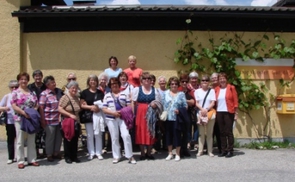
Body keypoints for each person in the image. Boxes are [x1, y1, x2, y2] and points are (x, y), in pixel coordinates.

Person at [102, 77, 136, 164]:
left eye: (116, 83)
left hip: (122, 118)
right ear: (110, 86)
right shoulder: (107, 95)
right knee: (114, 137)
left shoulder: (124, 94)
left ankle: (130, 156)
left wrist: (121, 112)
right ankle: (116, 156)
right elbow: (104, 109)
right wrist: (113, 113)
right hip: (111, 119)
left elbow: (129, 106)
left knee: (126, 136)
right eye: (112, 84)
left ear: (119, 84)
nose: (114, 85)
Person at [11, 72, 39, 169]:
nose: (24, 81)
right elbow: (14, 105)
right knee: (20, 140)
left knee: (31, 139)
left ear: (28, 81)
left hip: (31, 118)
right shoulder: (15, 92)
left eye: (25, 79)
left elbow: (36, 104)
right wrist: (24, 113)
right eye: (22, 79)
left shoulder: (32, 92)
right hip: (20, 118)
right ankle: (21, 160)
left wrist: (33, 112)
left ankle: (32, 159)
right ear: (18, 80)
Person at [132, 72, 160, 160]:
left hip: (151, 112)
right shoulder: (137, 89)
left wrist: (155, 104)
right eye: (144, 78)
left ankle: (149, 152)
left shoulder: (155, 90)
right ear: (141, 80)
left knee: (150, 131)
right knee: (141, 131)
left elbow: (159, 102)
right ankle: (142, 153)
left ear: (151, 80)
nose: (147, 80)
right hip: (140, 112)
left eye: (148, 78)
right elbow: (133, 102)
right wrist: (133, 114)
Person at [162, 76, 188, 162]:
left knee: (177, 136)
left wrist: (179, 110)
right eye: (172, 84)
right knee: (168, 135)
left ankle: (177, 154)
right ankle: (170, 153)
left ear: (178, 85)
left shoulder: (181, 94)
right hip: (168, 118)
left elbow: (185, 106)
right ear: (170, 85)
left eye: (176, 84)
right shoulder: (165, 93)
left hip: (177, 118)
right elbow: (162, 105)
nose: (174, 85)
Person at [39, 76, 63, 162]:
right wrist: (42, 120)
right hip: (49, 119)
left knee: (58, 137)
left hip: (58, 119)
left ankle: (56, 152)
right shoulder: (44, 94)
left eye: (54, 81)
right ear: (47, 85)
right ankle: (49, 154)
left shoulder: (58, 92)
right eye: (52, 82)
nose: (54, 83)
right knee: (50, 137)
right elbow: (41, 107)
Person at [80, 75, 105, 160]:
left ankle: (98, 152)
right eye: (91, 80)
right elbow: (82, 105)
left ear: (96, 82)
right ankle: (91, 152)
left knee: (98, 134)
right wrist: (91, 107)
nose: (92, 82)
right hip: (89, 116)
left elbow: (103, 103)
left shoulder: (100, 92)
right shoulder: (84, 92)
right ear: (88, 82)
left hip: (98, 115)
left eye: (94, 80)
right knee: (90, 135)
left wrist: (98, 108)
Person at [215, 73, 238, 158]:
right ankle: (223, 150)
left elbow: (235, 101)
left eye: (223, 78)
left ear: (226, 79)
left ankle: (230, 150)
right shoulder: (216, 89)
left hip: (229, 112)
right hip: (219, 112)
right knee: (221, 132)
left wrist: (236, 113)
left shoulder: (231, 88)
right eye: (220, 79)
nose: (222, 80)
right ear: (218, 80)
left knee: (229, 132)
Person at [58, 81, 81, 164]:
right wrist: (70, 115)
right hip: (67, 121)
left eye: (76, 88)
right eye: (73, 88)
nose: (74, 90)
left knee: (75, 139)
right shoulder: (65, 97)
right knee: (68, 139)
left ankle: (74, 156)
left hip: (76, 121)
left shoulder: (77, 98)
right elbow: (60, 108)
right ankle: (67, 157)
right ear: (69, 89)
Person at [195, 75, 216, 157]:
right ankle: (200, 151)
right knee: (201, 133)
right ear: (200, 82)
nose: (204, 82)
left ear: (209, 82)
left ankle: (210, 151)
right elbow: (196, 102)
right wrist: (202, 109)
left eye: (206, 80)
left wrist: (206, 109)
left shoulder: (212, 91)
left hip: (209, 113)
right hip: (200, 114)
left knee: (210, 133)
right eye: (203, 80)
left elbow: (213, 102)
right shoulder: (197, 91)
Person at [28, 69, 46, 158]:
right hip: (34, 113)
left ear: (41, 77)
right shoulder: (30, 87)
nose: (37, 77)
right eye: (36, 76)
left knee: (44, 132)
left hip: (44, 112)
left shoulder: (45, 87)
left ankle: (45, 151)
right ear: (33, 77)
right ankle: (36, 152)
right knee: (36, 133)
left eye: (39, 76)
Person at [0, 80, 19, 164]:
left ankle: (19, 157)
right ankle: (11, 157)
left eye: (16, 87)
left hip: (19, 120)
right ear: (9, 88)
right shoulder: (7, 96)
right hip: (10, 121)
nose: (14, 88)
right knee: (11, 139)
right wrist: (4, 108)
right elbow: (0, 106)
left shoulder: (20, 95)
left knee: (19, 139)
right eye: (12, 87)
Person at [178, 73, 194, 157]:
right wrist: (187, 101)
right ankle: (179, 151)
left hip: (187, 115)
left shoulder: (189, 91)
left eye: (186, 81)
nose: (184, 83)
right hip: (179, 115)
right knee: (179, 133)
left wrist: (184, 101)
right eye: (182, 81)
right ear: (180, 82)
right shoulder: (177, 90)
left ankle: (185, 149)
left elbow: (193, 102)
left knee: (187, 133)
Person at [211, 72, 221, 154]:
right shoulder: (210, 89)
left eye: (216, 78)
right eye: (213, 78)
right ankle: (210, 148)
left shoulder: (221, 88)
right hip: (211, 111)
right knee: (211, 130)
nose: (214, 79)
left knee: (219, 130)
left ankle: (221, 147)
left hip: (220, 111)